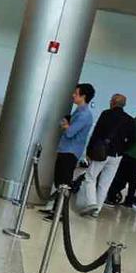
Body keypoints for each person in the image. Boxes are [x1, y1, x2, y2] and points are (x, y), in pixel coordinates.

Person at [41, 83, 95, 220]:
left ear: (83, 96)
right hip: (66, 149)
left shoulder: (84, 115)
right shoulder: (79, 111)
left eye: (76, 93)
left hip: (70, 152)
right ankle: (55, 210)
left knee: (64, 183)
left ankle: (60, 213)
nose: (73, 95)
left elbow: (70, 132)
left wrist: (65, 125)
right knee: (59, 181)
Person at [78, 93, 134, 217]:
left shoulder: (106, 114)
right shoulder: (129, 119)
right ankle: (97, 211)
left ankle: (91, 204)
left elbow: (96, 133)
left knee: (90, 177)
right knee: (105, 183)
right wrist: (122, 150)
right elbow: (132, 140)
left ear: (113, 102)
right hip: (117, 156)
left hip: (101, 153)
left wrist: (89, 151)